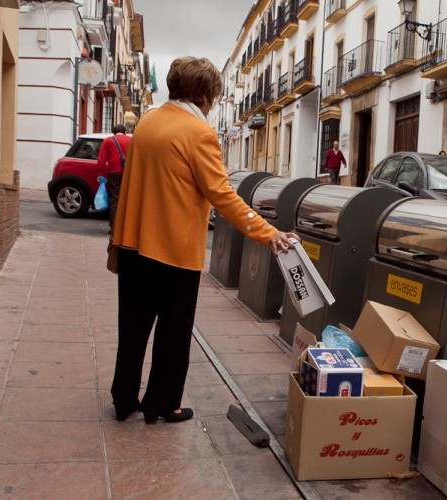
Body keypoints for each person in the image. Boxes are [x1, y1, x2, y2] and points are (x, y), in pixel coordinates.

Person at [109, 56, 299, 424]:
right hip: (172, 250)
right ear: (201, 94)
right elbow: (223, 195)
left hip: (132, 244)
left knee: (132, 329)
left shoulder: (147, 123)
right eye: (212, 96)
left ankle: (124, 398)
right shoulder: (198, 134)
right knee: (173, 332)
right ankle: (162, 403)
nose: (212, 103)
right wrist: (269, 232)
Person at [97, 124, 131, 228]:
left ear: (114, 132)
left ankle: (114, 227)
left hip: (114, 173)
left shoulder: (108, 141)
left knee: (114, 200)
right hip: (128, 173)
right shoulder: (131, 140)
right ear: (124, 132)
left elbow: (101, 160)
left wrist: (100, 174)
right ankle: (126, 228)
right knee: (127, 199)